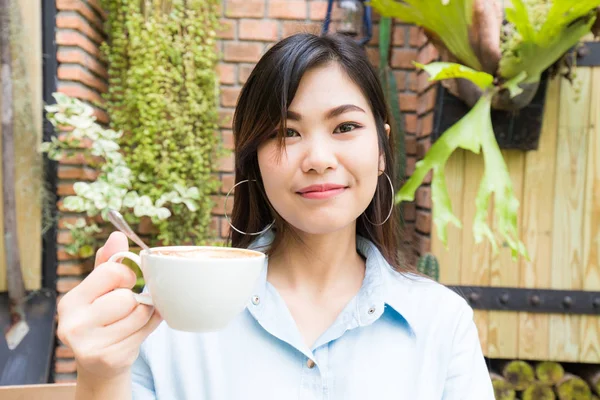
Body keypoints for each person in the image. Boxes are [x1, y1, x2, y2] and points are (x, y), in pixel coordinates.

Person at [56, 33, 494, 400]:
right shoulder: (169, 311)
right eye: (286, 132)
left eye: (345, 127)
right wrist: (101, 374)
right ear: (256, 161)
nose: (319, 159)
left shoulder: (442, 322)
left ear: (381, 149)